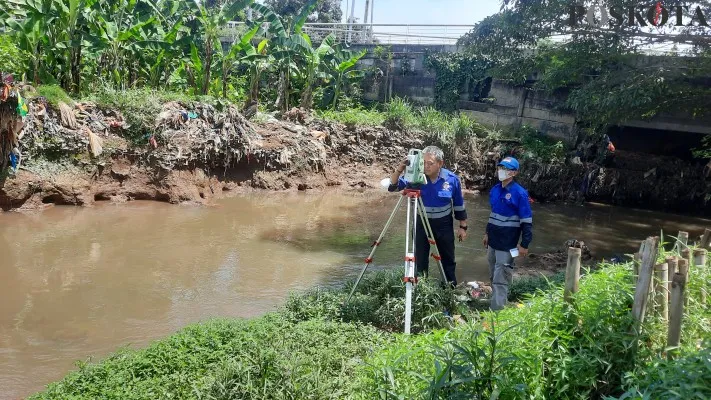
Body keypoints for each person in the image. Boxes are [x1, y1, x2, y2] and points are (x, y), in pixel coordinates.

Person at [388, 146, 467, 286]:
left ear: (440, 163)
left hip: (444, 225)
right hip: (421, 224)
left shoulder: (451, 180)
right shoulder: (416, 178)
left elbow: (459, 204)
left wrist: (463, 226)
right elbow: (393, 186)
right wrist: (400, 168)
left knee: (447, 258)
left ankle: (449, 290)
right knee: (420, 259)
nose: (426, 166)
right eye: (423, 162)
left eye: (430, 163)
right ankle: (421, 290)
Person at [483, 156, 533, 310]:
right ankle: (496, 301)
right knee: (493, 273)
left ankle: (497, 313)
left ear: (514, 173)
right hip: (493, 241)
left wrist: (524, 244)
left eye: (506, 169)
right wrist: (486, 233)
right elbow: (493, 214)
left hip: (508, 244)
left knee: (501, 277)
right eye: (500, 167)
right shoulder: (495, 190)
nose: (501, 171)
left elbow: (527, 221)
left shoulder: (520, 193)